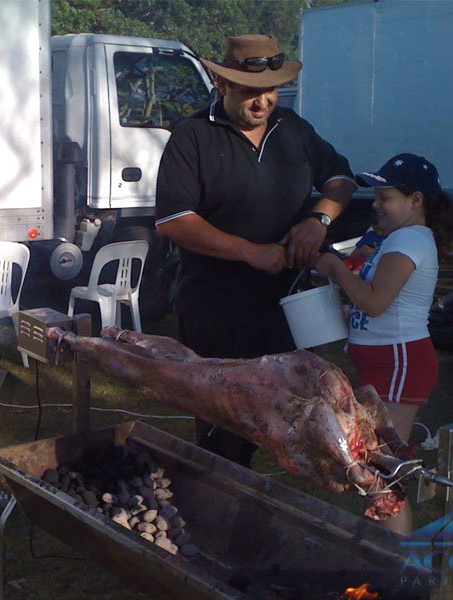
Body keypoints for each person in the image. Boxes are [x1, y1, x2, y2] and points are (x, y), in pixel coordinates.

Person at [155, 34, 356, 468]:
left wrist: (317, 220)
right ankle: (219, 499)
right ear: (223, 84)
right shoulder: (192, 137)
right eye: (250, 91)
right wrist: (248, 251)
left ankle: (265, 499)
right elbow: (174, 220)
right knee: (223, 420)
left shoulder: (294, 130)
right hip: (216, 307)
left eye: (270, 89)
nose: (263, 101)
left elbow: (342, 179)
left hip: (286, 306)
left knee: (286, 412)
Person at [314, 152, 453, 534]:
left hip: (400, 362)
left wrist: (335, 270)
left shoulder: (410, 239)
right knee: (377, 463)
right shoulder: (398, 238)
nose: (376, 206)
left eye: (385, 198)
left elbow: (375, 302)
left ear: (416, 200)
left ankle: (397, 564)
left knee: (383, 469)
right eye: (375, 197)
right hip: (385, 359)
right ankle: (388, 557)